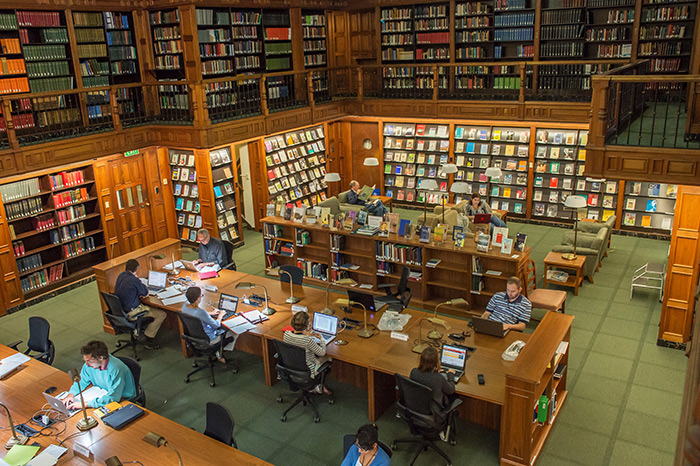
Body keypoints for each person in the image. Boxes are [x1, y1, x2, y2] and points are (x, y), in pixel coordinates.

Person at [64, 340, 136, 409]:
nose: (87, 364)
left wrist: (86, 404)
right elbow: (81, 381)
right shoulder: (89, 366)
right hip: (102, 394)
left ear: (101, 358)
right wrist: (71, 394)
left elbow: (114, 397)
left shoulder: (116, 369)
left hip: (122, 399)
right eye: (85, 361)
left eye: (89, 361)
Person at [113, 259, 166, 349]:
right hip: (132, 313)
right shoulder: (134, 280)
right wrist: (137, 280)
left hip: (121, 311)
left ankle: (139, 331)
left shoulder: (120, 276)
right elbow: (146, 293)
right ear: (136, 269)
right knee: (161, 314)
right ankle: (147, 337)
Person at [181, 286, 233, 363]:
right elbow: (216, 325)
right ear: (198, 299)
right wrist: (220, 315)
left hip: (194, 337)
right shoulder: (201, 313)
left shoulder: (184, 307)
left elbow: (195, 314)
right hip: (209, 339)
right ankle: (219, 352)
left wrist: (209, 313)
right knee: (231, 331)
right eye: (201, 296)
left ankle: (218, 351)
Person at [283, 312, 331, 394]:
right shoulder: (308, 341)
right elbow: (322, 353)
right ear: (307, 325)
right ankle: (318, 385)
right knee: (328, 358)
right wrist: (322, 339)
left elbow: (297, 339)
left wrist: (305, 334)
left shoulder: (286, 334)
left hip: (291, 367)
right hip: (308, 371)